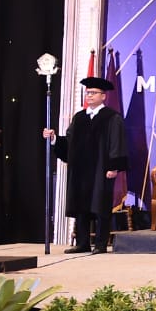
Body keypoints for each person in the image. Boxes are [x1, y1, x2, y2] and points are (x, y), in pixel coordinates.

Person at [43, 75, 129, 253]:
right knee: (81, 205)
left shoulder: (112, 118)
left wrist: (114, 166)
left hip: (101, 169)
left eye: (93, 93)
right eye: (87, 92)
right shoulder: (79, 117)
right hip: (81, 169)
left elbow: (116, 143)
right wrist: (53, 139)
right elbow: (69, 142)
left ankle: (100, 244)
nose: (89, 96)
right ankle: (82, 243)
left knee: (100, 206)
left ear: (103, 96)